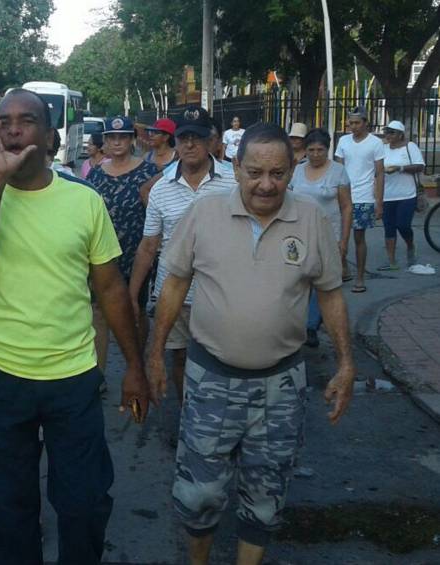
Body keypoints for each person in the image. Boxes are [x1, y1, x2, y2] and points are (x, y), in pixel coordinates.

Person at [0, 89, 151, 565]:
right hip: (1, 375)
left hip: (73, 376)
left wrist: (135, 367)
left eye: (28, 120)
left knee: (84, 504)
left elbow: (111, 289)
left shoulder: (83, 200)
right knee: (9, 509)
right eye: (5, 121)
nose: (15, 129)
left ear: (51, 137)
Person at [148, 123, 356, 565]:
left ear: (292, 169)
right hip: (210, 381)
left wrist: (345, 363)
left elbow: (331, 293)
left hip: (280, 385)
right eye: (256, 172)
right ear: (236, 166)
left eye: (278, 174)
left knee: (266, 491)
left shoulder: (312, 219)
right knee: (201, 490)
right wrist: (155, 354)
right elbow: (173, 285)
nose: (266, 184)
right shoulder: (203, 214)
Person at [129, 107, 235, 403]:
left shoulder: (233, 182)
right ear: (175, 142)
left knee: (222, 362)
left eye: (197, 138)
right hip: (174, 295)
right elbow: (148, 246)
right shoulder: (161, 189)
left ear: (212, 142)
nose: (189, 145)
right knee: (181, 361)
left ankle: (220, 417)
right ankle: (190, 415)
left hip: (221, 293)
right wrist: (132, 294)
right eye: (183, 137)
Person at [87, 116, 159, 373]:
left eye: (123, 137)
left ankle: (136, 367)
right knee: (98, 312)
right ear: (104, 142)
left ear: (131, 140)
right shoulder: (95, 174)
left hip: (135, 255)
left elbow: (156, 215)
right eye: (111, 138)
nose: (117, 142)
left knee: (135, 310)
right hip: (101, 255)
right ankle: (97, 375)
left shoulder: (149, 173)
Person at [290, 128, 352, 347]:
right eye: (311, 150)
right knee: (299, 279)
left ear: (327, 149)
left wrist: (343, 240)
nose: (315, 154)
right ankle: (296, 322)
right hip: (298, 234)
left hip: (329, 235)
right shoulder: (297, 171)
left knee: (323, 282)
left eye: (320, 150)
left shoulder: (338, 172)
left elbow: (346, 207)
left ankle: (311, 325)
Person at [334, 107, 385, 292]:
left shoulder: (375, 143)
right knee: (339, 236)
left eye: (356, 123)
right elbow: (338, 169)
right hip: (343, 196)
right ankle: (344, 268)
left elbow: (380, 174)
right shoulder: (343, 141)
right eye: (350, 123)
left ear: (365, 123)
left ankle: (360, 276)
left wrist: (379, 202)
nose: (352, 126)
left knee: (359, 238)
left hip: (364, 196)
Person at [379, 120, 425, 270]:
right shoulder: (383, 148)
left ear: (400, 134)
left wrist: (400, 168)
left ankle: (410, 245)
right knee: (389, 228)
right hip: (387, 195)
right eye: (387, 132)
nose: (388, 135)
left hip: (407, 194)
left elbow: (420, 166)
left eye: (392, 132)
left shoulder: (410, 147)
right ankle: (391, 261)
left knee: (403, 225)